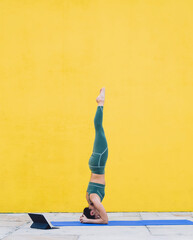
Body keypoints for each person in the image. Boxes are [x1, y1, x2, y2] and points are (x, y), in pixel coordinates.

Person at [80, 88, 109, 224]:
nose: (98, 214)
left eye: (95, 214)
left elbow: (105, 220)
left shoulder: (95, 200)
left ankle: (100, 102)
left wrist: (88, 220)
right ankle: (100, 102)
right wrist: (86, 216)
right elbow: (98, 214)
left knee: (99, 128)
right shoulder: (88, 198)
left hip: (98, 162)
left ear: (92, 211)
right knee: (99, 129)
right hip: (94, 165)